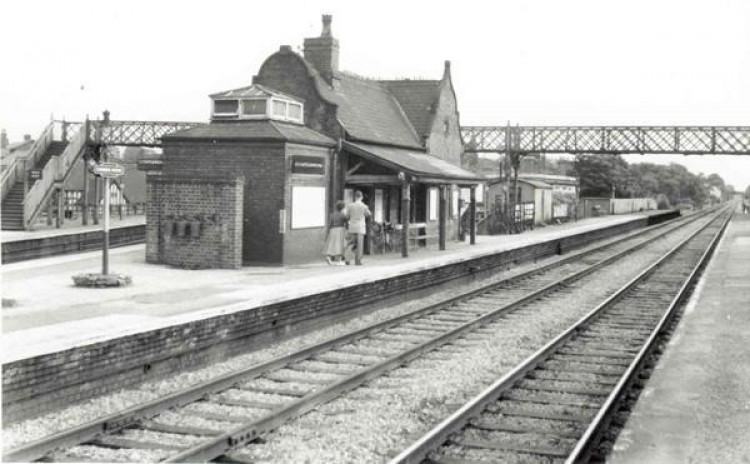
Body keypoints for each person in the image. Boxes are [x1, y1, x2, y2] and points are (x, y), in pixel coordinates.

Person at [346, 190, 371, 265]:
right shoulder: (364, 206)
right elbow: (368, 214)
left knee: (350, 244)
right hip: (360, 228)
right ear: (361, 197)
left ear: (355, 197)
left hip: (352, 227)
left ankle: (347, 259)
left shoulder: (350, 206)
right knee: (360, 245)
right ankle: (358, 261)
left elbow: (347, 216)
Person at [323, 200, 348, 265]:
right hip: (340, 230)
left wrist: (328, 232)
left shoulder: (332, 215)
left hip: (332, 230)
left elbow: (330, 224)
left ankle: (328, 256)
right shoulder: (342, 215)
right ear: (342, 208)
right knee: (340, 245)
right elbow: (347, 222)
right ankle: (340, 261)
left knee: (332, 245)